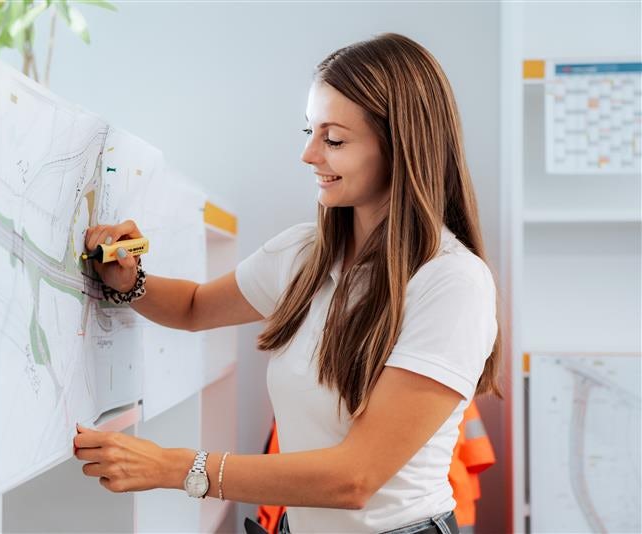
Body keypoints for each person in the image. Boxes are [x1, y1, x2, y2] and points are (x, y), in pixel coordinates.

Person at [73, 32, 501, 534]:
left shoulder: (453, 284)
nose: (308, 154)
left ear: (400, 147)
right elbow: (193, 308)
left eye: (333, 139)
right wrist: (128, 280)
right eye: (309, 131)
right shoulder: (304, 255)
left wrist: (174, 467)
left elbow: (355, 478)